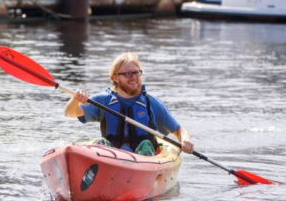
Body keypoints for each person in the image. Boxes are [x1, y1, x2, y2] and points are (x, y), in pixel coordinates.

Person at [64, 52, 194, 156]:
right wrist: (76, 99)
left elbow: (179, 130)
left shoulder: (151, 103)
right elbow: (70, 113)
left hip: (143, 158)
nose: (134, 77)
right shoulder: (104, 100)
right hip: (111, 157)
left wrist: (185, 140)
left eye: (136, 72)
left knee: (146, 145)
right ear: (115, 78)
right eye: (127, 74)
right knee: (100, 143)